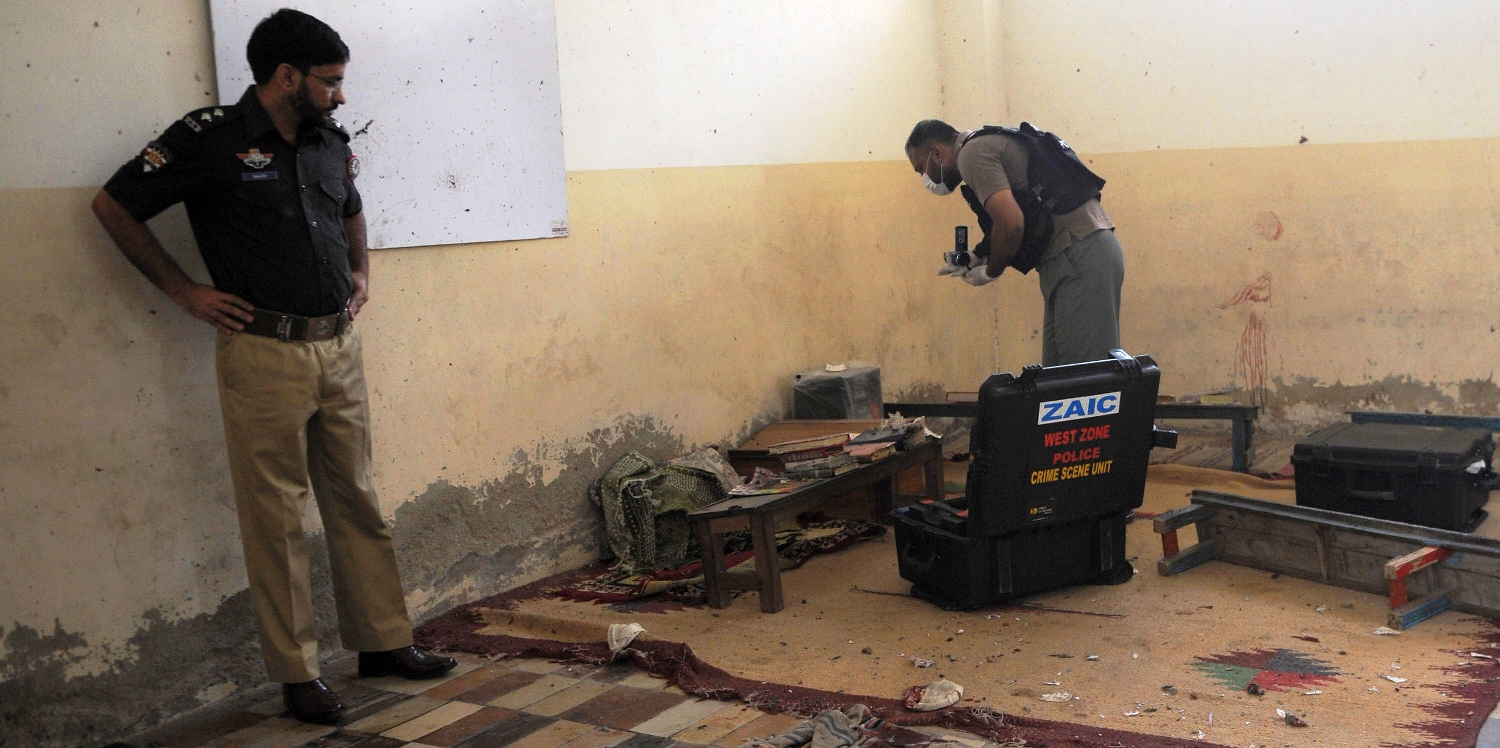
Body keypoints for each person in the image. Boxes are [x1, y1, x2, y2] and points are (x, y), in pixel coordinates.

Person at [91, 9, 454, 724]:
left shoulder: (326, 138)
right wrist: (181, 290)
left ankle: (383, 642)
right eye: (329, 82)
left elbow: (349, 205)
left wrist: (363, 272)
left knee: (357, 496)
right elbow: (114, 205)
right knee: (276, 516)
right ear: (286, 75)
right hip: (262, 352)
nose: (340, 96)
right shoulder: (207, 140)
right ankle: (298, 675)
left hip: (336, 346)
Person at [905, 119, 1126, 366]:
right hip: (1076, 254)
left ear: (936, 153)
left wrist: (989, 273)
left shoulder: (971, 155)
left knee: (1086, 378)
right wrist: (979, 255)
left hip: (1078, 253)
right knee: (1059, 376)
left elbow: (1012, 224)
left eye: (920, 169)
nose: (925, 178)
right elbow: (1021, 211)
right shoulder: (985, 143)